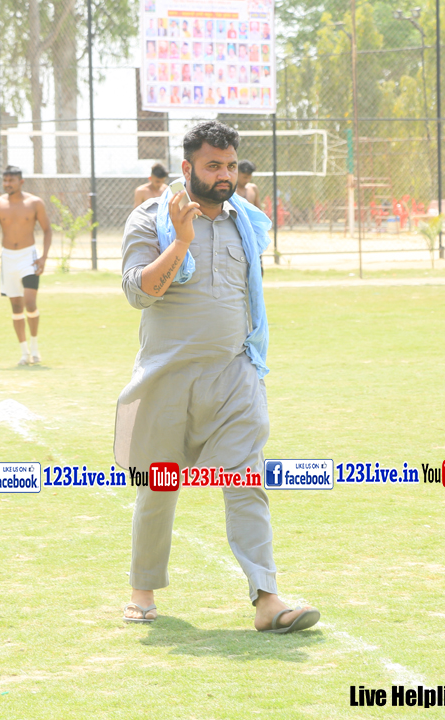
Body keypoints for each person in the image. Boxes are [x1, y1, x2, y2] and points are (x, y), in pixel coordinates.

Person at [115, 120, 319, 634]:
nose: (225, 174)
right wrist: (181, 242)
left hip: (234, 374)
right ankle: (143, 590)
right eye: (213, 166)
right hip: (166, 378)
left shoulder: (244, 221)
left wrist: (249, 358)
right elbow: (139, 293)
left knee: (247, 481)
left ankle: (267, 598)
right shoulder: (149, 218)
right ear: (187, 168)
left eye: (230, 165)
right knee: (157, 488)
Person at [0, 166, 53, 366]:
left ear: (21, 182)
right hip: (8, 258)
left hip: (28, 257)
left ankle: (35, 347)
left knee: (30, 303)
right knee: (16, 306)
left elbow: (47, 230)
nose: (7, 184)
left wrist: (43, 258)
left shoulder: (35, 203)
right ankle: (24, 353)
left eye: (11, 180)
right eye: (5, 180)